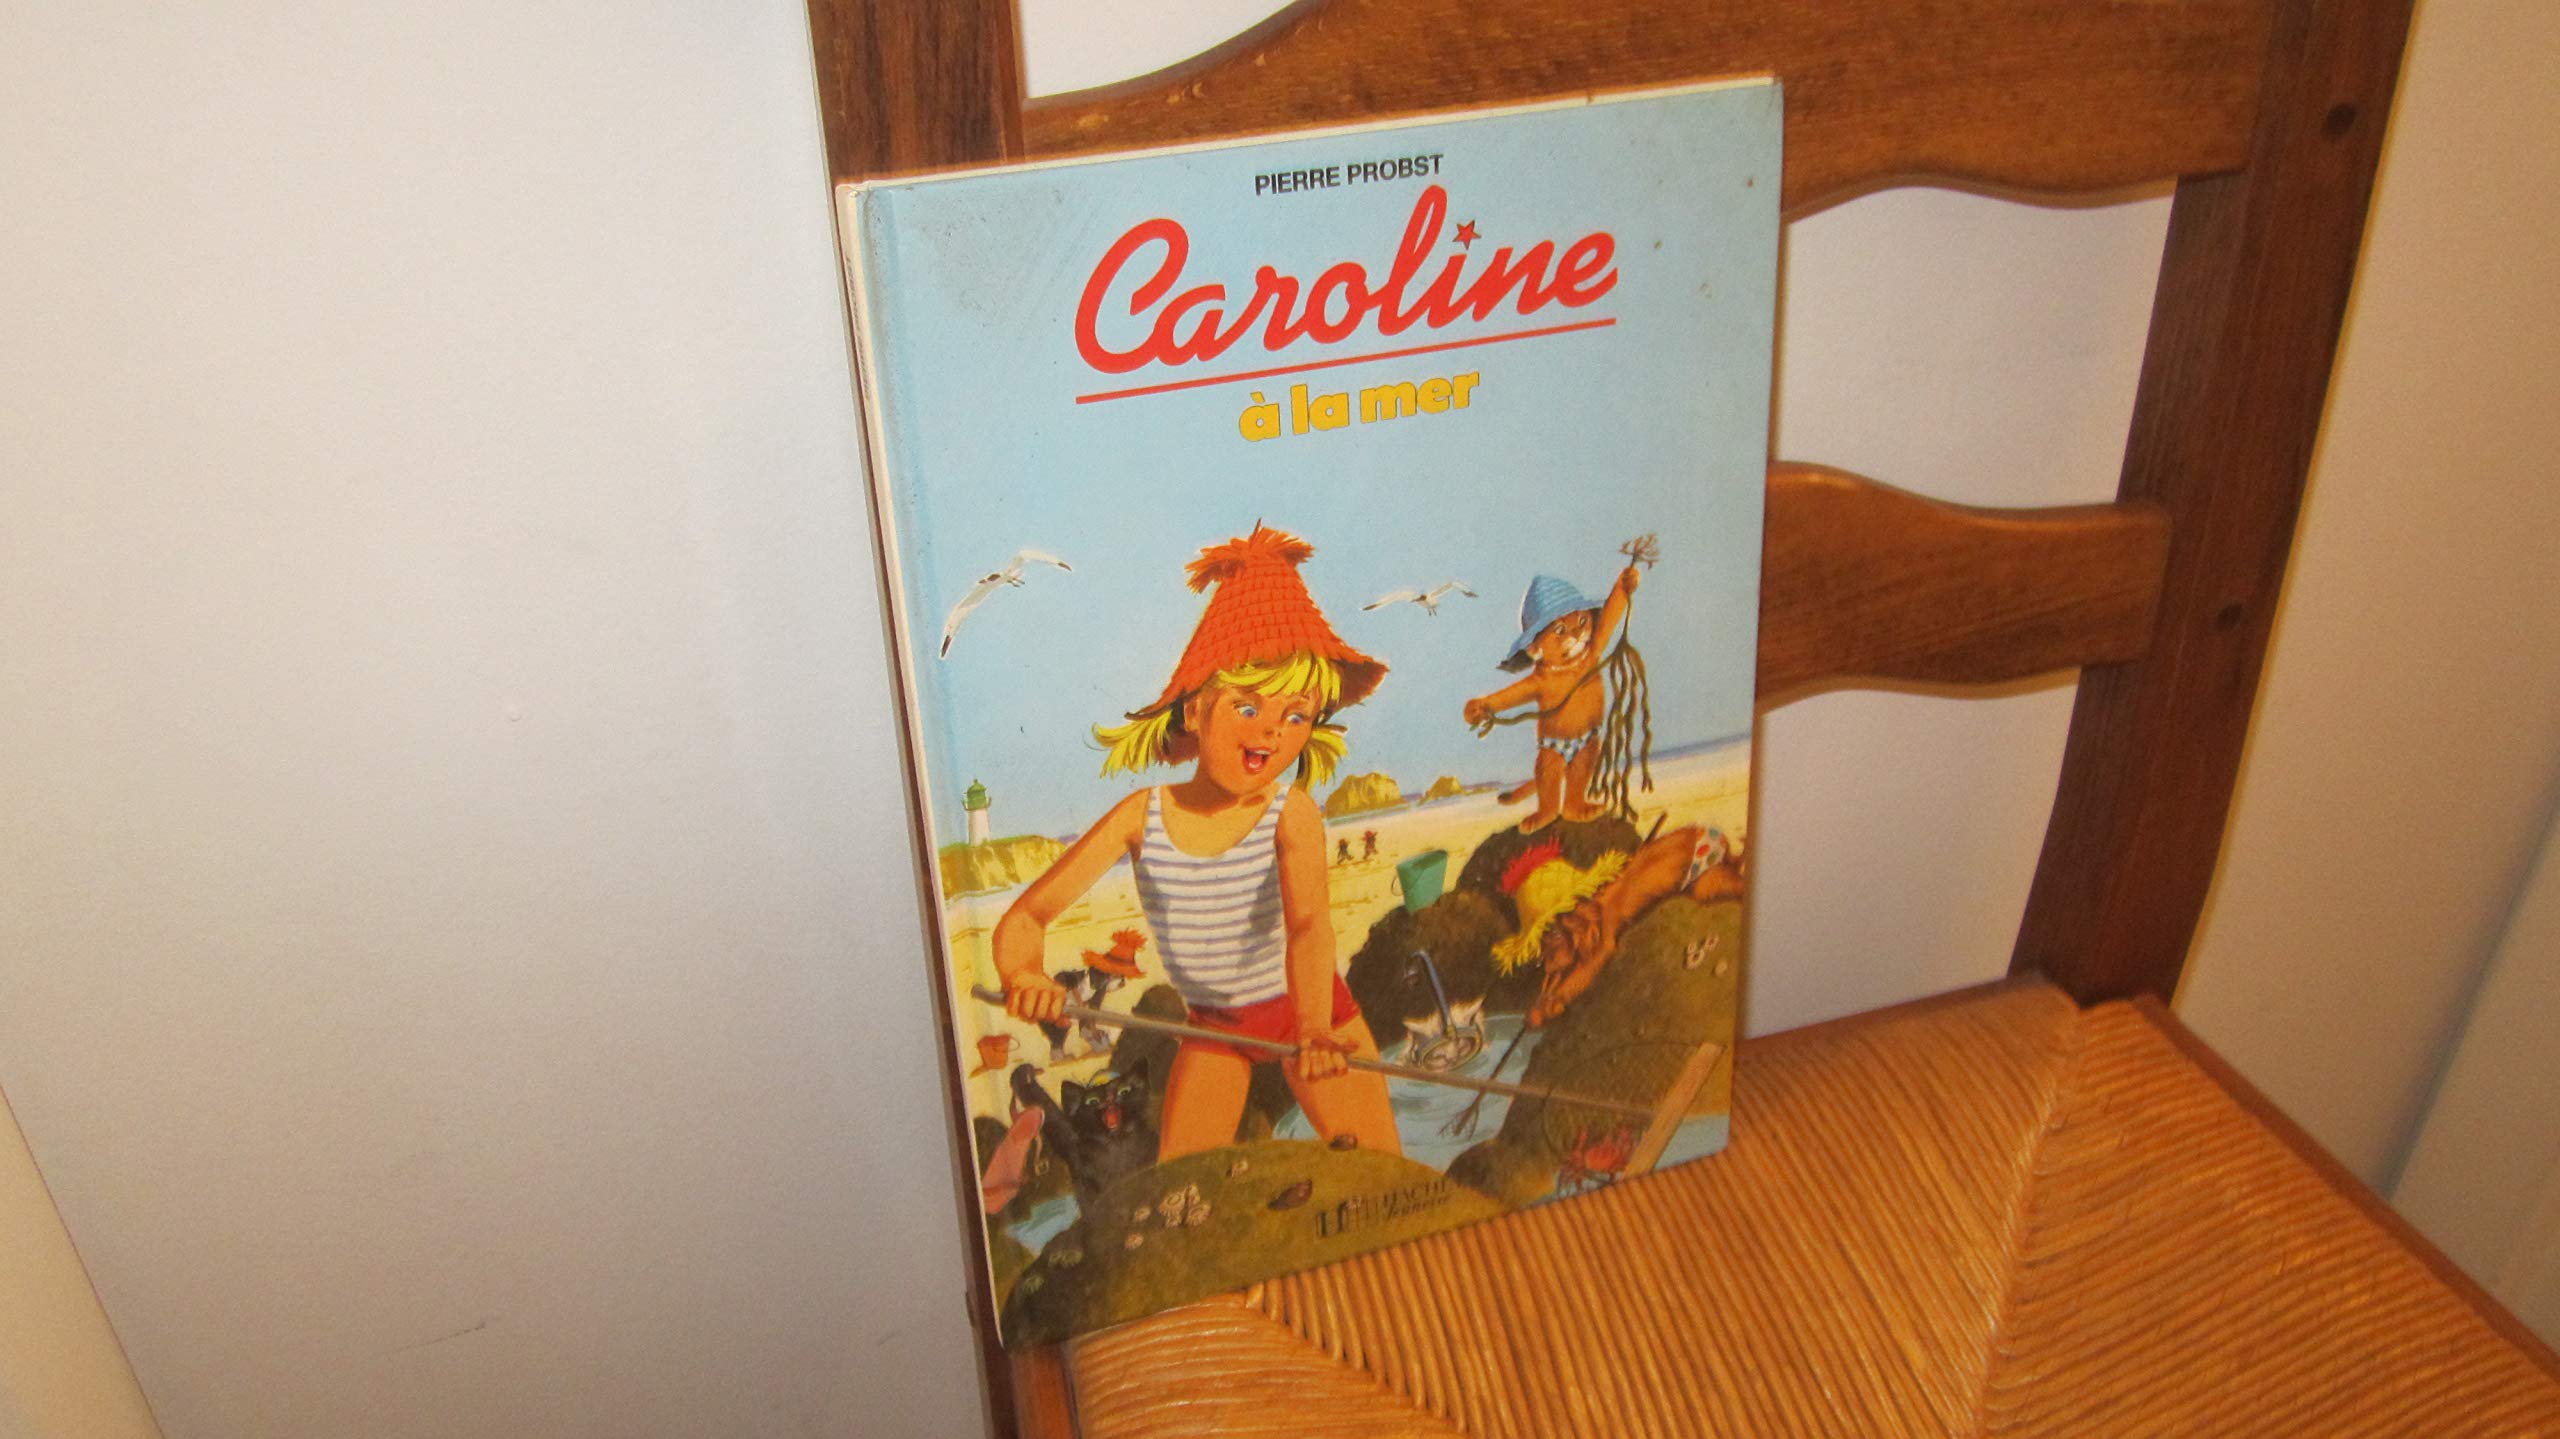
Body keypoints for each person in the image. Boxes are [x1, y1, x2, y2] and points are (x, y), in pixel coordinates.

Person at [995, 525, 1402, 1161]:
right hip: (1215, 1027)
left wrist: (1315, 1027)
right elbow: (1027, 916)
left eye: (1296, 715)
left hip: (1311, 1013)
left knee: (1381, 1167)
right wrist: (1023, 973)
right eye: (1248, 707)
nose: (1272, 731)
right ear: (1194, 711)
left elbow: (1309, 928)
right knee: (1179, 1185)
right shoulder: (1141, 816)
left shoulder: (1290, 813)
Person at [1463, 564, 1641, 832]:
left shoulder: (1591, 655)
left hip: (1587, 739)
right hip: (1554, 745)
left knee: (1583, 765)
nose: (1576, 634)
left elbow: (1608, 620)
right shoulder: (1541, 680)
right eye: (1560, 631)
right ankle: (1547, 810)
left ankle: (1574, 804)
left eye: (1582, 622)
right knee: (1549, 771)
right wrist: (1481, 707)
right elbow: (1505, 698)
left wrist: (1622, 588)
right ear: (1535, 648)